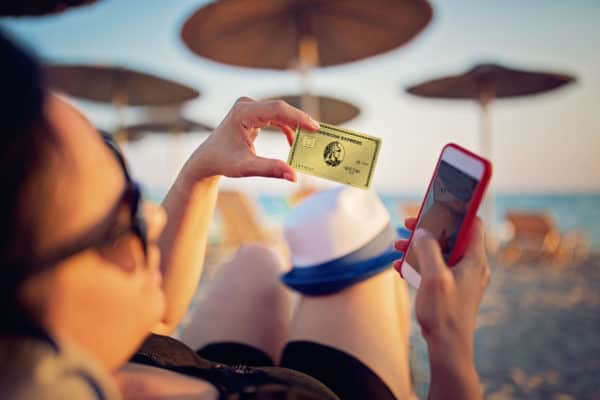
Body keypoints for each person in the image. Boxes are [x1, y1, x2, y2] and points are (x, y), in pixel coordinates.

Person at [0, 31, 490, 400]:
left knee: (257, 256)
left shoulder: (66, 354)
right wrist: (449, 343)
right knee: (376, 264)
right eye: (123, 219)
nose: (156, 216)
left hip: (192, 366)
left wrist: (199, 173)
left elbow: (159, 310)